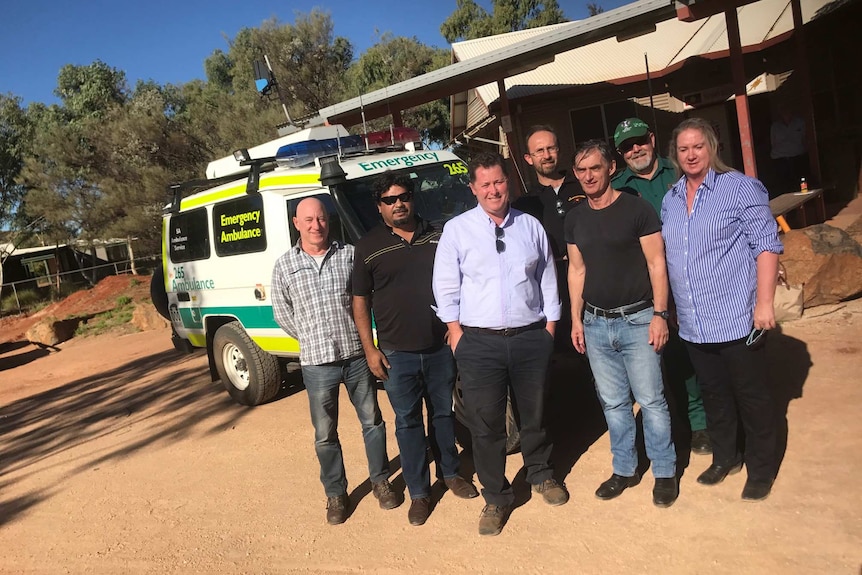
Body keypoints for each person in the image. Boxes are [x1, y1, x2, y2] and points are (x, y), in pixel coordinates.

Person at [433, 151, 568, 537]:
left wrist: (551, 327)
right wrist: (456, 332)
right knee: (486, 424)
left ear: (509, 182)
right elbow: (446, 285)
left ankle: (541, 473)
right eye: (485, 184)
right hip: (479, 342)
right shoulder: (458, 230)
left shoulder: (530, 226)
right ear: (474, 188)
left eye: (499, 181)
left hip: (530, 337)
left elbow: (546, 277)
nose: (494, 190)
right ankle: (497, 495)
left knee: (535, 413)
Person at [662, 117, 783, 502]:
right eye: (683, 149)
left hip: (736, 317)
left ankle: (761, 468)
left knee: (752, 396)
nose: (691, 154)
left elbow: (767, 247)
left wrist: (764, 303)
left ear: (712, 147)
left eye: (698, 146)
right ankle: (726, 456)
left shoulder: (740, 188)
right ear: (675, 155)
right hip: (695, 324)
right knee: (713, 395)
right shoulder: (671, 198)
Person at [352, 172, 478, 527]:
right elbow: (359, 300)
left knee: (443, 415)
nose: (398, 204)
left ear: (412, 197)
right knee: (407, 422)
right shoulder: (368, 246)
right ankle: (419, 493)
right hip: (396, 354)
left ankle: (450, 474)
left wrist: (458, 330)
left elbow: (462, 282)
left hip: (439, 348)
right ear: (379, 207)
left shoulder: (440, 236)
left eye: (403, 196)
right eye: (390, 200)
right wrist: (370, 349)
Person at [565, 139, 679, 508]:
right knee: (613, 404)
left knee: (651, 400)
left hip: (638, 319)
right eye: (580, 170)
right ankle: (625, 469)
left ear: (611, 168)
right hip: (596, 324)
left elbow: (657, 264)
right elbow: (577, 270)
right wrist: (575, 320)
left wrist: (660, 315)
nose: (587, 176)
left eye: (594, 168)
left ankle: (664, 472)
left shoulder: (637, 209)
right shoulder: (576, 217)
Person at [271, 197, 398, 526]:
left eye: (322, 219)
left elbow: (364, 300)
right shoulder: (284, 265)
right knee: (325, 434)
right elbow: (282, 312)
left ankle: (380, 481)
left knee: (372, 423)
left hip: (356, 356)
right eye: (308, 220)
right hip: (316, 364)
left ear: (329, 221)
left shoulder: (349, 255)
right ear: (296, 224)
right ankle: (336, 493)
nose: (316, 225)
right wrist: (309, 337)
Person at [612, 117, 711, 456]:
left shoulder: (679, 171)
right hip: (650, 289)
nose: (635, 149)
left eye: (639, 140)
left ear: (652, 139)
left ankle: (713, 421)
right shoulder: (619, 188)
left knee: (706, 355)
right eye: (626, 146)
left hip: (694, 279)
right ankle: (691, 427)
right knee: (668, 363)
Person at [515, 125, 587, 352]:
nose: (546, 155)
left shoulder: (583, 186)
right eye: (539, 151)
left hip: (591, 283)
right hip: (550, 289)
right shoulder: (524, 205)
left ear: (559, 150)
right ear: (528, 158)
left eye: (551, 148)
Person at [770, 104, 808, 197]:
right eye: (784, 112)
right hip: (780, 158)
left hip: (797, 156)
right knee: (784, 184)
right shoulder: (775, 126)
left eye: (788, 112)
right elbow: (773, 142)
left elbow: (804, 139)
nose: (786, 114)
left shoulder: (799, 123)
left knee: (800, 182)